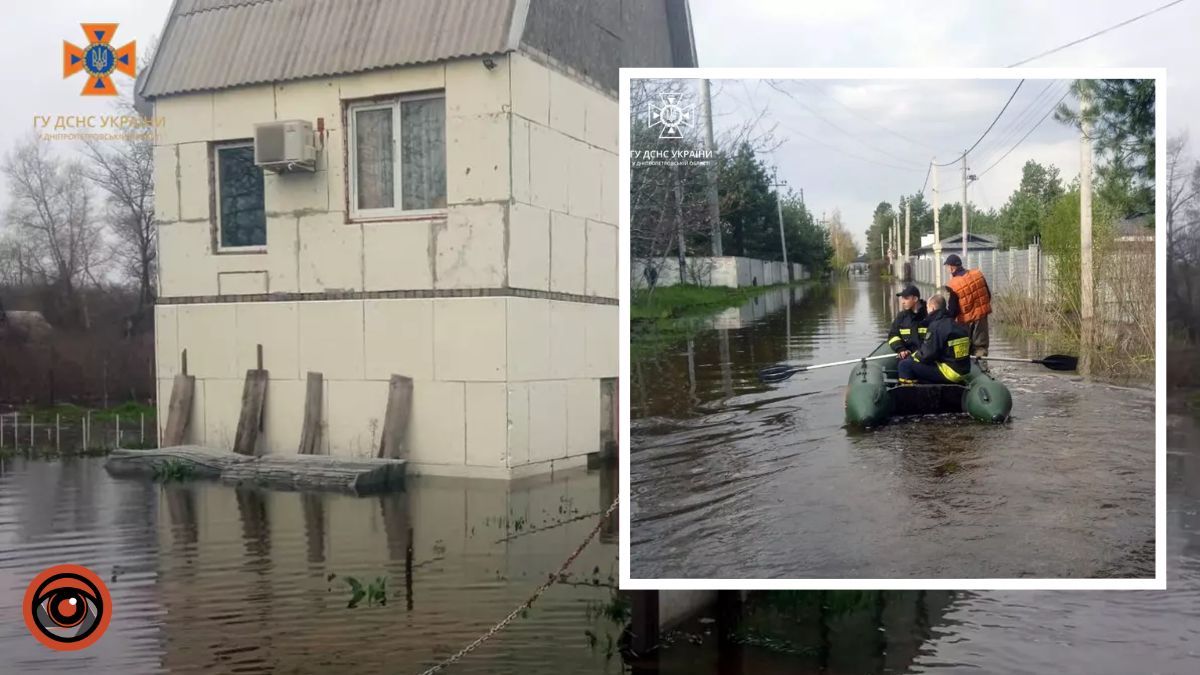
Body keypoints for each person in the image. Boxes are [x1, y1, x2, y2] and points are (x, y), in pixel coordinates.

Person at [897, 295, 971, 385]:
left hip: (950, 372)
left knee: (904, 365)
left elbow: (927, 355)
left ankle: (910, 395)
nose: (927, 312)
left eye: (927, 308)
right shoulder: (956, 324)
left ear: (932, 308)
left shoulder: (936, 326)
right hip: (964, 370)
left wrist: (911, 357)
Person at [943, 253, 991, 357]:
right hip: (981, 318)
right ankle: (983, 369)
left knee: (965, 348)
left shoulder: (953, 285)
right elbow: (988, 295)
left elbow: (953, 310)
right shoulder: (977, 274)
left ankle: (968, 368)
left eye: (947, 267)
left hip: (965, 322)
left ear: (951, 268)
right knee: (981, 347)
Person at [887, 285, 928, 360]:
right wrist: (901, 349)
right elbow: (893, 335)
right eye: (902, 298)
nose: (902, 302)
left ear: (915, 299)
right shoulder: (902, 317)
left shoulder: (928, 315)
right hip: (907, 357)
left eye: (906, 298)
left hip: (926, 358)